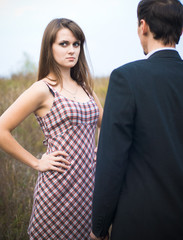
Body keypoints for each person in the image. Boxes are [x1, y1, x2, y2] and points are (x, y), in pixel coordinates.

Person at [0, 18, 103, 239]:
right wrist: (37, 162)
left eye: (76, 44)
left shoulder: (85, 88)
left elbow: (107, 124)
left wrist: (100, 149)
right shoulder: (43, 89)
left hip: (89, 189)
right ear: (50, 47)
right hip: (58, 190)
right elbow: (1, 129)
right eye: (64, 44)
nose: (72, 50)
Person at [90, 0, 183, 239]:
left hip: (141, 224)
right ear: (180, 30)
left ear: (143, 26)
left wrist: (99, 228)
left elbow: (111, 161)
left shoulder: (126, 78)